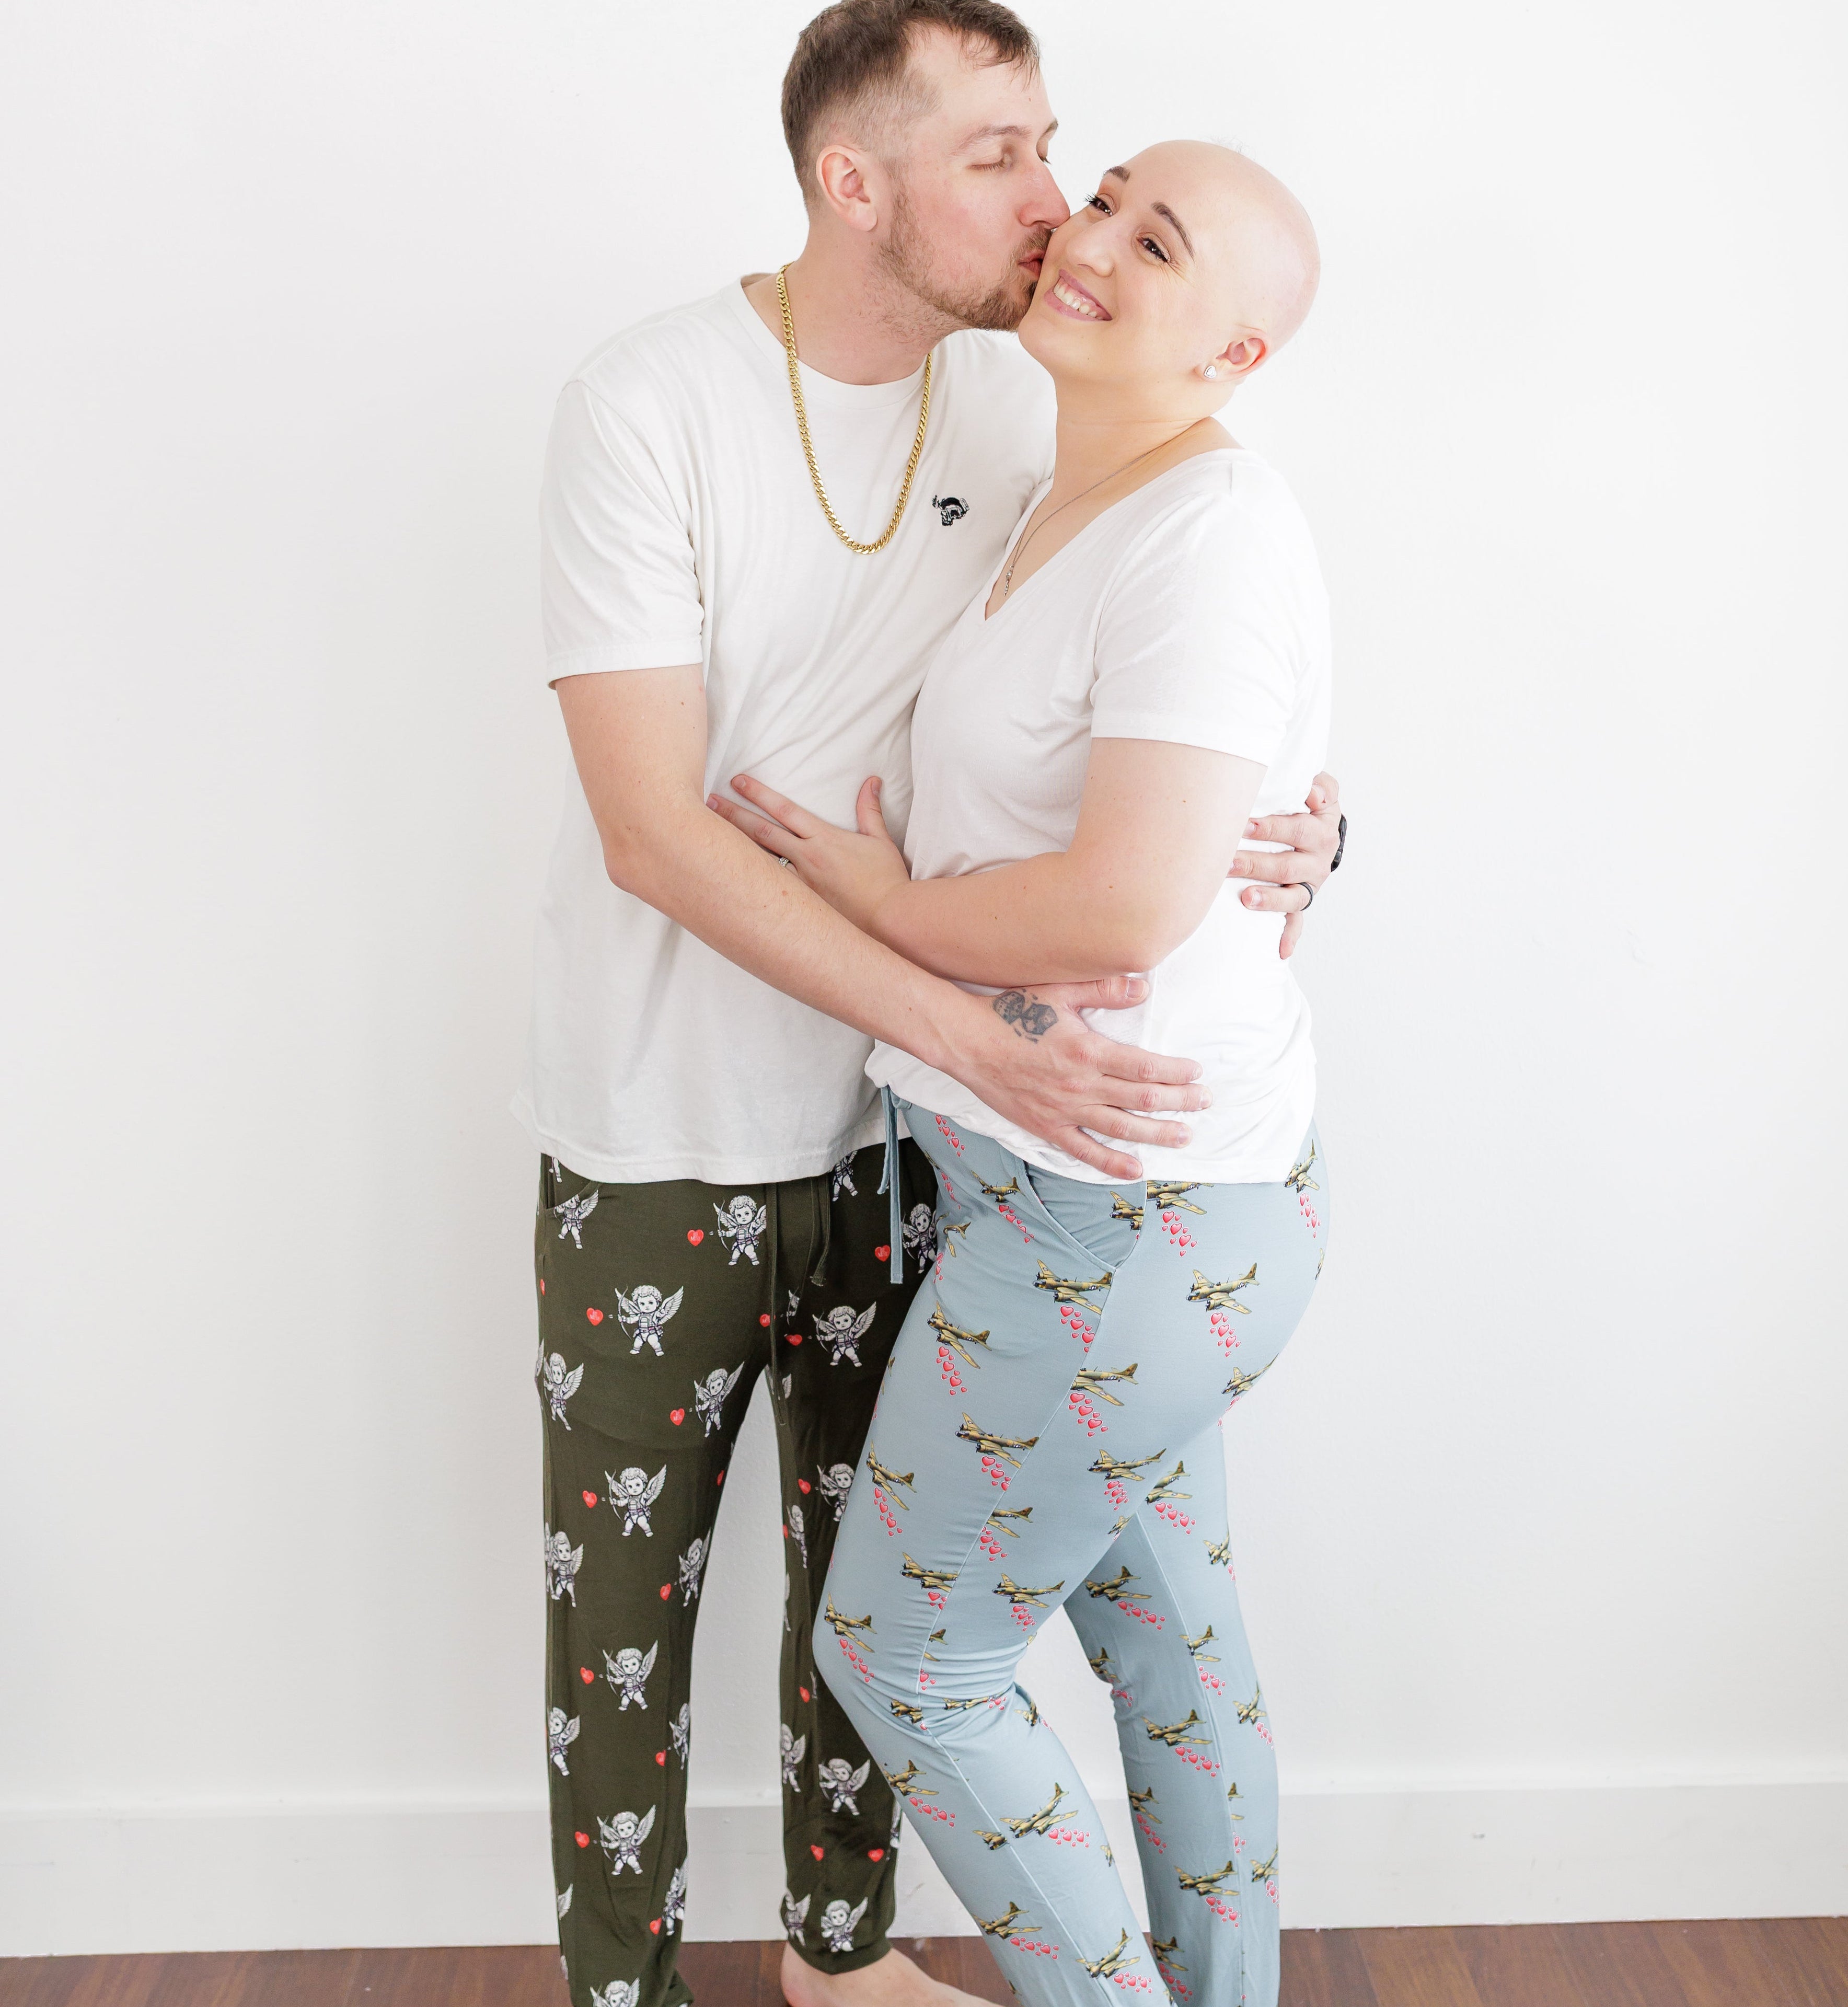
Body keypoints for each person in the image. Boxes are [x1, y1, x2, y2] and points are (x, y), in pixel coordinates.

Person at [522, 1, 1342, 1999]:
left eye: (1067, 150)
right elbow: (652, 828)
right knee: (629, 1630)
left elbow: (1190, 723)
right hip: (683, 1120)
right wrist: (969, 1013)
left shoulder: (1049, 402)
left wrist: (1315, 827)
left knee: (871, 1635)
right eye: (1008, 153)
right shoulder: (653, 400)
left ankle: (840, 1964)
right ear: (852, 181)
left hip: (941, 1158)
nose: (1060, 204)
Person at [711, 140, 1330, 2007]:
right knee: (1171, 1645)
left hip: (1115, 1217)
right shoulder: (1065, 492)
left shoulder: (1205, 533)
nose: (1096, 236)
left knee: (905, 1660)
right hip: (1120, 1207)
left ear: (1232, 357)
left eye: (1163, 243)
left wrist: (885, 904)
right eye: (1109, 189)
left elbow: (1124, 907)